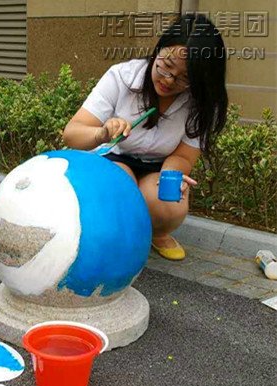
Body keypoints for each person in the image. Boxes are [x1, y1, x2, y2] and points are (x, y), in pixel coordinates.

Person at [63, 14, 228, 261]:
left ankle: (156, 232)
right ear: (158, 48)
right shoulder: (122, 77)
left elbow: (183, 155)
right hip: (114, 156)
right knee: (121, 190)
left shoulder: (202, 103)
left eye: (184, 78)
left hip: (157, 166)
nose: (168, 80)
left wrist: (170, 177)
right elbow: (72, 134)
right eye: (166, 66)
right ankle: (118, 231)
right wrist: (102, 133)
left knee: (169, 201)